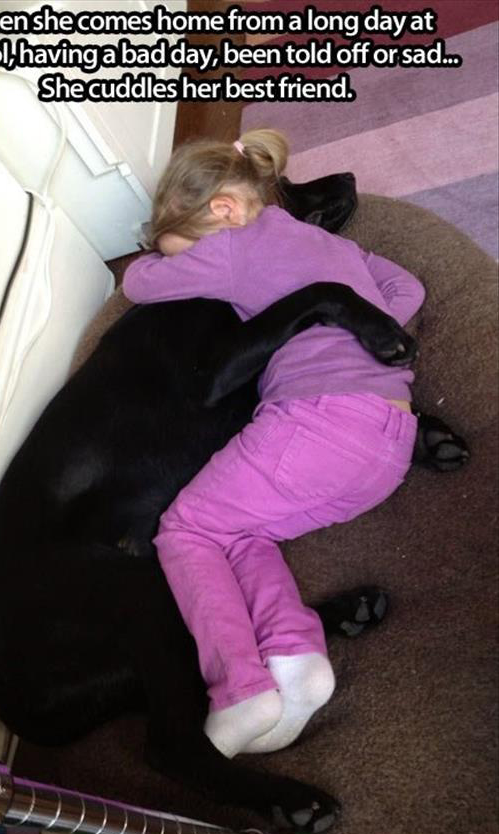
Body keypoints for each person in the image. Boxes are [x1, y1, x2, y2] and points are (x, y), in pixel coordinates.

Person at [122, 129, 425, 759]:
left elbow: (139, 285)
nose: (186, 266)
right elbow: (408, 290)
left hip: (317, 425)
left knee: (188, 531)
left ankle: (239, 688)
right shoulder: (326, 241)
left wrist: (158, 250)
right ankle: (296, 657)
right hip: (389, 445)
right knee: (246, 532)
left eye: (186, 247)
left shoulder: (234, 243)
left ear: (224, 210)